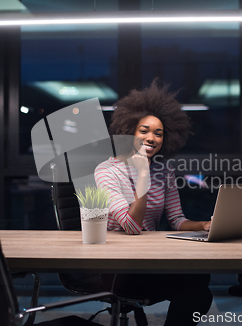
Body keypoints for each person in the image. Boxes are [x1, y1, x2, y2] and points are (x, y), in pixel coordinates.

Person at [94, 79, 212, 326]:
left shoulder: (164, 170)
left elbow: (177, 220)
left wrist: (203, 225)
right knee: (195, 290)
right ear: (129, 132)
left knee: (200, 281)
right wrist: (143, 174)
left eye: (158, 133)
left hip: (150, 259)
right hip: (118, 267)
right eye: (144, 130)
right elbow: (132, 227)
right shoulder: (106, 171)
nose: (152, 138)